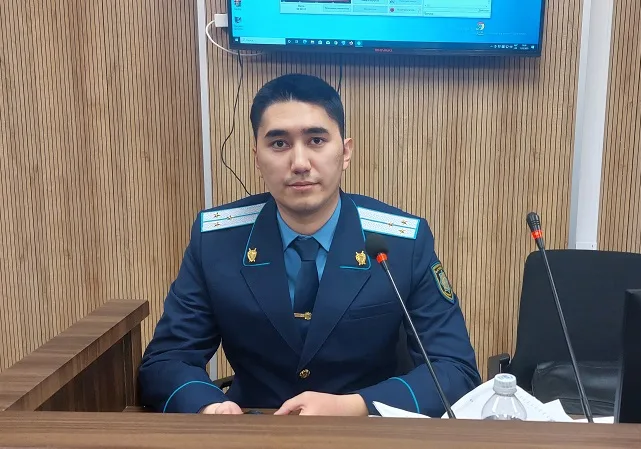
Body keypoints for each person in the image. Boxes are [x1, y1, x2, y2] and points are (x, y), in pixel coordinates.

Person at [138, 73, 481, 417]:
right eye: (279, 144)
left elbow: (454, 369)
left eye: (316, 140)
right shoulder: (216, 241)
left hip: (367, 430)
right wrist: (209, 406)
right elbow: (166, 360)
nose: (300, 163)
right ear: (257, 157)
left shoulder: (402, 243)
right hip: (254, 429)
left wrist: (354, 406)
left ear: (345, 152)